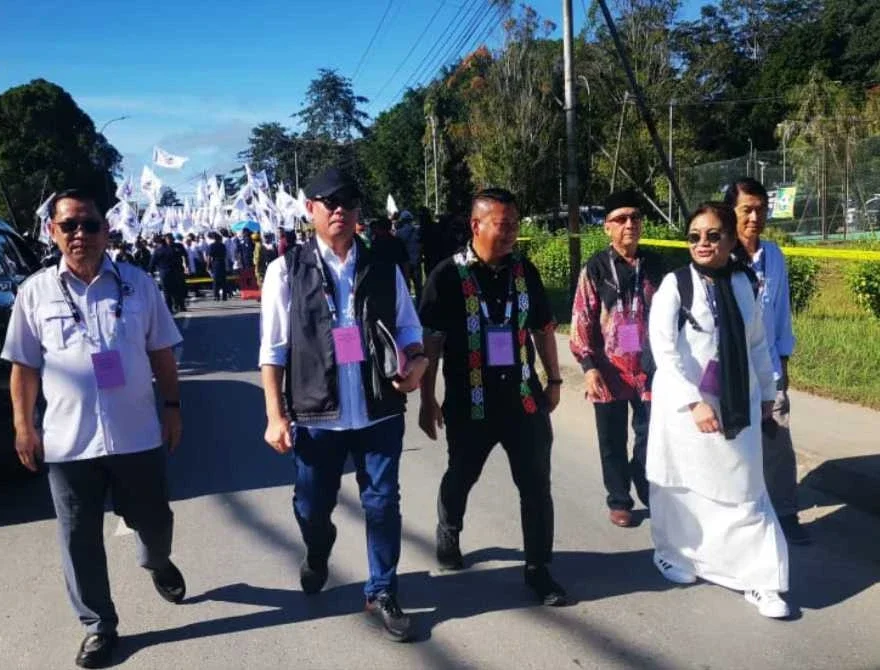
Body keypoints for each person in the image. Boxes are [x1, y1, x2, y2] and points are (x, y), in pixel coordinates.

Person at [0, 188, 186, 668]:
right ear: (52, 232)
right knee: (78, 537)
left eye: (90, 224)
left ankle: (156, 561)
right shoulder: (34, 292)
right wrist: (24, 427)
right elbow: (23, 367)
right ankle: (99, 625)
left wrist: (172, 406)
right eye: (69, 226)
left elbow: (162, 352)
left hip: (138, 434)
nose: (80, 234)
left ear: (106, 230)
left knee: (154, 520)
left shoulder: (138, 285)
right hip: (69, 442)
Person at [259, 166, 428, 642]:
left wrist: (415, 362)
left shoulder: (382, 265)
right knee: (312, 506)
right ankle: (317, 550)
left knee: (382, 504)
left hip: (378, 409)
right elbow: (273, 351)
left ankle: (381, 590)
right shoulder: (284, 271)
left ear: (358, 212)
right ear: (310, 209)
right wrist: (275, 415)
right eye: (328, 202)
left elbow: (409, 329)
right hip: (317, 414)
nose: (339, 210)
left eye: (348, 202)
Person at [418, 188, 567, 606]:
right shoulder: (445, 276)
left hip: (523, 400)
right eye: (503, 225)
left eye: (515, 226)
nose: (510, 235)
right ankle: (449, 531)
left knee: (536, 486)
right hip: (471, 405)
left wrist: (553, 380)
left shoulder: (525, 271)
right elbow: (431, 345)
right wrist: (428, 401)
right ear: (476, 225)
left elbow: (542, 329)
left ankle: (538, 570)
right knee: (461, 475)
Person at [646, 202, 788, 619]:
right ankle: (675, 554)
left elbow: (757, 342)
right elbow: (664, 352)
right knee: (680, 487)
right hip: (685, 409)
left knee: (746, 491)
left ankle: (761, 581)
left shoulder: (744, 281)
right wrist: (693, 402)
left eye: (712, 235)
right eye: (694, 236)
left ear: (730, 238)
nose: (702, 243)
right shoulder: (676, 285)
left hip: (736, 405)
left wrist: (768, 391)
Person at [569, 190, 665, 527]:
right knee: (611, 440)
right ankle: (619, 499)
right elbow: (581, 317)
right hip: (608, 371)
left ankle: (645, 481)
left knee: (650, 435)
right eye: (620, 219)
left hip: (649, 369)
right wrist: (588, 366)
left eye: (635, 218)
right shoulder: (595, 268)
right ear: (607, 227)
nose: (629, 225)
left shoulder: (656, 266)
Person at [725, 178, 809, 546]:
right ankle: (739, 520)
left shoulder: (774, 256)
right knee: (734, 448)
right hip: (732, 373)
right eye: (747, 209)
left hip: (769, 369)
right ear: (732, 212)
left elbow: (781, 316)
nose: (755, 216)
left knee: (777, 444)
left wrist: (784, 367)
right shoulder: (720, 257)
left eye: (761, 209)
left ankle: (786, 515)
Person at [149, 235, 187, 314]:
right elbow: (152, 262)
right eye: (168, 239)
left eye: (171, 239)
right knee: (167, 292)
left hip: (177, 272)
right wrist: (151, 272)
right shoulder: (159, 250)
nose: (170, 240)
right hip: (165, 273)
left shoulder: (178, 246)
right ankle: (169, 308)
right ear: (165, 240)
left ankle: (181, 305)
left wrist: (186, 265)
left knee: (179, 289)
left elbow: (185, 256)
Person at [369, 217, 410, 281]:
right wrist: (405, 278)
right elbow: (405, 262)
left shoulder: (376, 243)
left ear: (380, 228)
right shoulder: (397, 242)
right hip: (395, 276)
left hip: (384, 277)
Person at [395, 210, 423, 298]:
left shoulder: (399, 233)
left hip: (404, 264)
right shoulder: (417, 231)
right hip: (416, 261)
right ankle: (420, 305)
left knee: (406, 286)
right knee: (418, 286)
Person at [206, 232, 228, 301]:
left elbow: (209, 257)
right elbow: (225, 254)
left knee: (215, 281)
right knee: (223, 280)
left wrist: (208, 266)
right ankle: (224, 296)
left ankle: (216, 296)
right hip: (222, 263)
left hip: (215, 263)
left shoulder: (211, 246)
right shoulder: (223, 245)